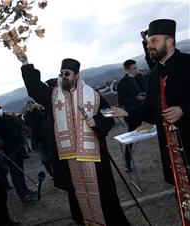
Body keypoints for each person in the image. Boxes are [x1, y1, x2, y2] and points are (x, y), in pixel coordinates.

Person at [16, 54, 130, 225]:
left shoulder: (94, 95)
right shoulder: (53, 95)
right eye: (61, 74)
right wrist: (26, 64)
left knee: (103, 194)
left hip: (94, 157)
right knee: (77, 194)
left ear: (77, 75)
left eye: (67, 74)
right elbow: (34, 89)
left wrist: (97, 121)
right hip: (68, 158)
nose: (63, 77)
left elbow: (108, 118)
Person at [113, 19, 190, 185]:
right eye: (148, 42)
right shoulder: (152, 76)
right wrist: (127, 112)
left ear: (169, 41)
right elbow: (149, 110)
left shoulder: (187, 63)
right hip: (171, 153)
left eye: (154, 40)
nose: (149, 45)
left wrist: (184, 109)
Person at [0, 102, 36, 204]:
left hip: (17, 147)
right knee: (15, 173)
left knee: (21, 171)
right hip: (7, 150)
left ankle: (25, 189)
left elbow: (17, 127)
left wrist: (20, 141)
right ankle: (22, 195)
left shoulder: (8, 117)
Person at [117, 59, 147, 171]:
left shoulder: (140, 76)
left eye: (136, 67)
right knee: (131, 139)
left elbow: (146, 88)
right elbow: (122, 102)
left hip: (146, 109)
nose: (136, 70)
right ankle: (127, 163)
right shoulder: (121, 84)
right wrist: (136, 98)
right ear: (126, 70)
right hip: (133, 113)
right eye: (134, 69)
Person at [24, 100, 54, 178]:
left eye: (31, 104)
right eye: (28, 105)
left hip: (46, 137)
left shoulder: (38, 112)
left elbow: (43, 116)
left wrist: (36, 108)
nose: (30, 106)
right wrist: (28, 111)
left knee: (51, 156)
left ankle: (55, 171)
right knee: (44, 159)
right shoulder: (27, 116)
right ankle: (51, 174)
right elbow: (27, 123)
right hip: (37, 141)